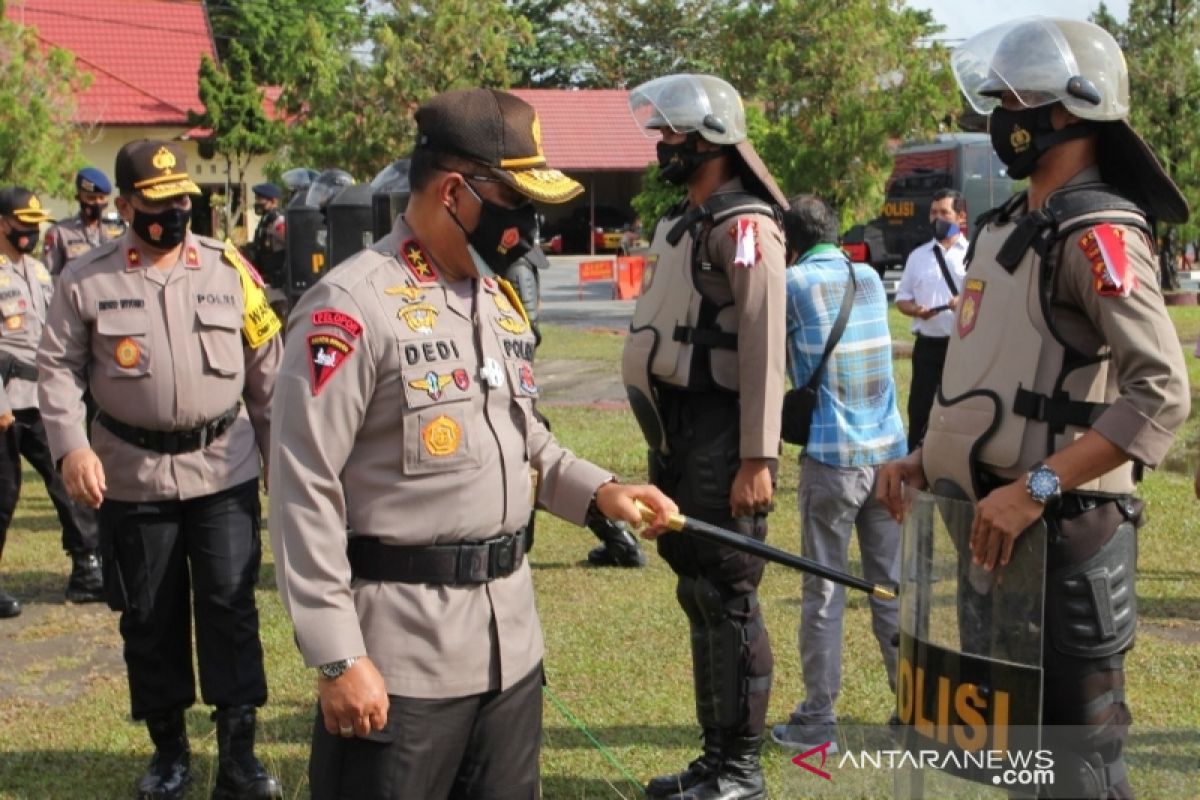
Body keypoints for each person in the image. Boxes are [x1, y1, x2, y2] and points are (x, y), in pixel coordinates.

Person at [267, 87, 676, 800]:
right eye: (517, 205)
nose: (530, 228)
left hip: (510, 650)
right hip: (402, 660)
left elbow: (525, 442)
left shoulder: (496, 299)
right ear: (455, 192)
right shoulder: (352, 307)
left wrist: (602, 491)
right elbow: (302, 484)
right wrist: (338, 657)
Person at [878, 18, 1190, 799]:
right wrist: (926, 459)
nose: (1000, 113)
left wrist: (1036, 489)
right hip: (991, 533)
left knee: (1078, 767)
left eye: (1016, 99)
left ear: (1070, 111)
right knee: (1018, 764)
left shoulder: (1098, 233)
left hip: (1066, 531)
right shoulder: (1006, 226)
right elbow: (995, 378)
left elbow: (1160, 393)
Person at [37, 140, 284, 800]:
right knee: (149, 615)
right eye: (157, 202)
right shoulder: (84, 278)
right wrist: (70, 447)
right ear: (124, 206)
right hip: (131, 473)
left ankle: (239, 752)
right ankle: (169, 750)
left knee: (231, 608)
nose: (174, 212)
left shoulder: (231, 269)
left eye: (182, 200)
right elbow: (56, 369)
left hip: (223, 467)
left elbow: (266, 370)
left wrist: (278, 459)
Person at [623, 73, 787, 800]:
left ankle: (740, 769)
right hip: (682, 434)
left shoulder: (744, 226)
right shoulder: (690, 220)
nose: (662, 146)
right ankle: (713, 759)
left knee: (727, 595)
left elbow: (763, 344)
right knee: (697, 588)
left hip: (725, 431)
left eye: (672, 134)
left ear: (710, 138)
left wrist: (758, 457)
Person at [768, 195, 906, 754]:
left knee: (824, 591)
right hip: (890, 459)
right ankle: (917, 709)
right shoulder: (869, 277)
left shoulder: (791, 284)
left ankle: (817, 719)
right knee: (891, 589)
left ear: (790, 240)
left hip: (831, 458)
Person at [497, 238, 646, 568]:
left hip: (506, 374)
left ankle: (617, 537)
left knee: (532, 453)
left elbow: (523, 326)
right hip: (505, 371)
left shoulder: (513, 255)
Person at [0, 187, 103, 617]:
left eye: (35, 222)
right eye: (22, 223)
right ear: (2, 223)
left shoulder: (40, 272)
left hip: (40, 397)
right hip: (5, 401)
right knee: (3, 494)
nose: (31, 230)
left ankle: (87, 569)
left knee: (68, 478)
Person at [894, 188, 968, 451]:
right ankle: (914, 463)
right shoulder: (918, 256)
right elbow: (902, 298)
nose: (938, 218)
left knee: (960, 412)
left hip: (961, 347)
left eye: (944, 212)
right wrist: (915, 310)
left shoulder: (973, 256)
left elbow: (986, 298)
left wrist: (963, 302)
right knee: (920, 410)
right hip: (927, 347)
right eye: (933, 212)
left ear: (960, 217)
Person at [42, 167, 116, 277]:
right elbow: (50, 275)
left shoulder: (117, 230)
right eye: (91, 198)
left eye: (101, 198)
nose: (97, 203)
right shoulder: (60, 232)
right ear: (79, 197)